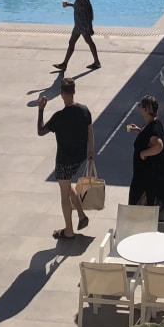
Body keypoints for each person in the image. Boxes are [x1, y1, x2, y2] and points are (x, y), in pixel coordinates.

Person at [36, 78, 94, 240]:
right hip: (80, 157)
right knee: (67, 186)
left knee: (64, 194)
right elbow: (90, 131)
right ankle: (82, 216)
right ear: (74, 91)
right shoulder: (84, 110)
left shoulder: (58, 117)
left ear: (61, 94)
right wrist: (91, 150)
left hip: (64, 161)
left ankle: (68, 231)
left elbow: (40, 131)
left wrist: (41, 110)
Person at [126, 95, 164, 206]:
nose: (139, 107)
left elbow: (159, 145)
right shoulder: (154, 123)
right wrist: (140, 131)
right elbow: (149, 138)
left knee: (141, 202)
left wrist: (143, 154)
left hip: (148, 176)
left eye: (140, 106)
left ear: (145, 110)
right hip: (147, 174)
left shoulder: (154, 128)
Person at [55, 0, 101, 71]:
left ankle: (97, 62)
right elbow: (79, 7)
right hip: (78, 25)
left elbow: (89, 12)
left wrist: (90, 27)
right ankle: (64, 64)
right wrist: (69, 5)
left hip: (83, 25)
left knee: (89, 42)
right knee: (73, 43)